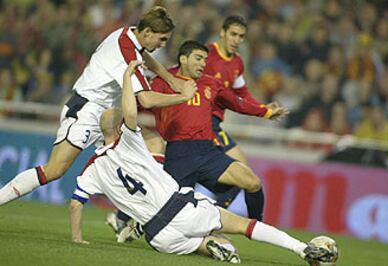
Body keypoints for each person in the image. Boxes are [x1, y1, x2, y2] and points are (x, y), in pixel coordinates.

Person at [69, 60, 333, 266]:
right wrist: (127, 77)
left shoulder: (91, 167)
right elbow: (131, 111)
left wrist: (77, 240)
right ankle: (301, 248)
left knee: (204, 243)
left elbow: (75, 203)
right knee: (243, 226)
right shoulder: (129, 141)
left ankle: (211, 244)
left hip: (159, 237)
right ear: (119, 128)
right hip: (181, 209)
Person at [0, 6, 196, 205]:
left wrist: (171, 80)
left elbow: (145, 57)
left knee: (153, 143)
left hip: (107, 115)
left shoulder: (128, 33)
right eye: (162, 39)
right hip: (85, 110)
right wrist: (183, 96)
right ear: (147, 32)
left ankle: (140, 212)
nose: (163, 45)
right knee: (54, 170)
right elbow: (145, 99)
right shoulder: (126, 51)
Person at [150, 40, 288, 222]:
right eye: (198, 58)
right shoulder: (163, 81)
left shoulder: (211, 84)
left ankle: (257, 226)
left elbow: (237, 102)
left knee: (252, 182)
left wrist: (265, 111)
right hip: (179, 153)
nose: (203, 64)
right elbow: (144, 101)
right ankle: (131, 222)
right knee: (162, 209)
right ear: (183, 59)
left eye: (205, 60)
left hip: (207, 152)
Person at [203, 15, 280, 209]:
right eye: (233, 34)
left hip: (214, 124)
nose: (237, 40)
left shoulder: (237, 62)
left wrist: (264, 108)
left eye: (241, 36)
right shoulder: (207, 54)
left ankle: (212, 216)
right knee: (240, 175)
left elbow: (242, 92)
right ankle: (212, 217)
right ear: (222, 32)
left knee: (242, 173)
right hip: (200, 120)